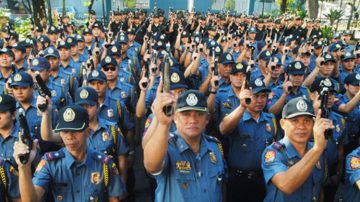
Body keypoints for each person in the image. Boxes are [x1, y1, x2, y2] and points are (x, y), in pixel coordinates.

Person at [13, 104, 125, 202]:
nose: (69, 137)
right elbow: (31, 200)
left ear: (88, 131)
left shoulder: (104, 164)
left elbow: (114, 199)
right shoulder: (50, 163)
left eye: (75, 131)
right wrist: (24, 167)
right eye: (65, 131)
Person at [143, 90, 225, 202]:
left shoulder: (215, 147)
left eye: (199, 114)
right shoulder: (166, 146)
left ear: (207, 119)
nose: (192, 120)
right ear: (175, 117)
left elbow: (220, 188)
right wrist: (163, 124)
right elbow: (151, 166)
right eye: (186, 114)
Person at [261, 97, 333, 201]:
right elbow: (286, 186)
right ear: (282, 124)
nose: (301, 126)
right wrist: (317, 149)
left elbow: (318, 189)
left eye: (307, 121)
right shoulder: (273, 152)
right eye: (295, 121)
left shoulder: (316, 149)